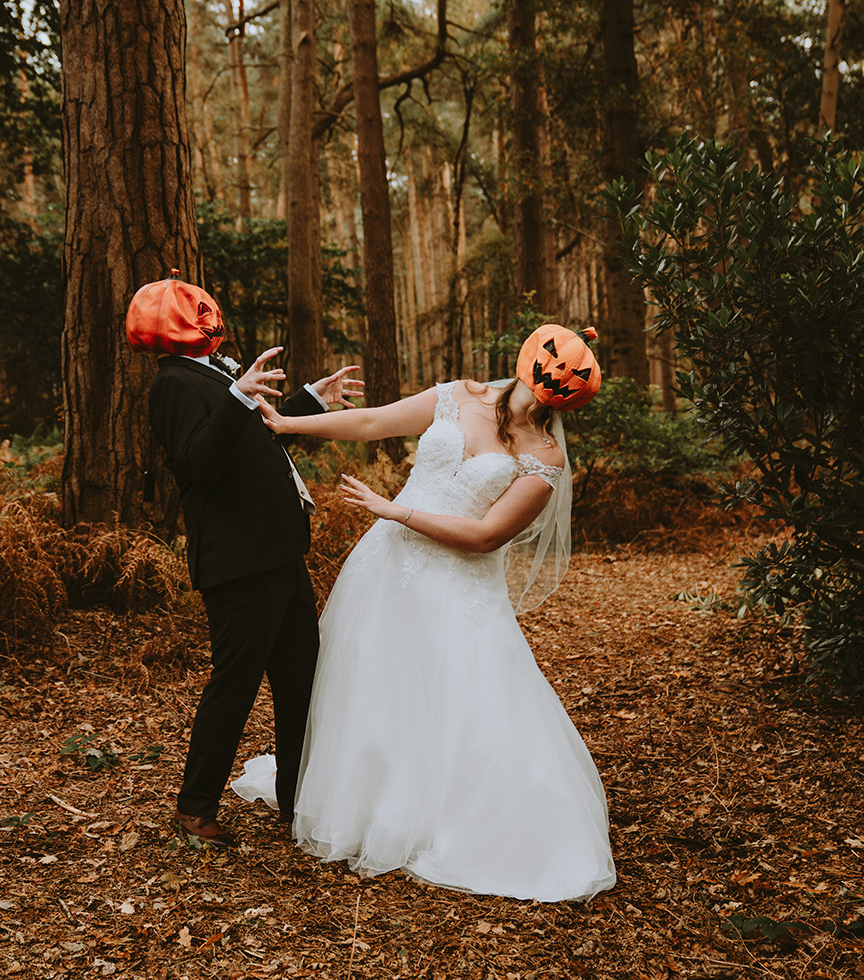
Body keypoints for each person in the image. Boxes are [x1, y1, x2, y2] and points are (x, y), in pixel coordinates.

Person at [232, 324, 618, 902]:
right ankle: (366, 801)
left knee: (462, 695)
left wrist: (394, 511)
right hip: (385, 570)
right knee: (370, 682)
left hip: (456, 584)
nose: (550, 383)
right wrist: (290, 424)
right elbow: (370, 421)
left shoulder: (545, 457)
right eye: (550, 368)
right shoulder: (457, 395)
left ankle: (457, 816)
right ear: (530, 357)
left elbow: (487, 536)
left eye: (565, 382)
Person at [126, 270, 363, 847]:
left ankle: (297, 799)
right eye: (195, 310)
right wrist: (235, 398)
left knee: (300, 679)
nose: (209, 316)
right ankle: (195, 806)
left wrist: (310, 399)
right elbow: (197, 464)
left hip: (281, 553)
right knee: (234, 683)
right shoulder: (173, 386)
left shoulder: (218, 374)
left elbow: (259, 443)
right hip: (238, 564)